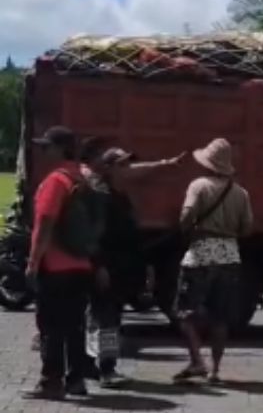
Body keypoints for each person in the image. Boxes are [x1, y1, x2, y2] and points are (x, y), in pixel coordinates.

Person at [85, 145, 185, 388]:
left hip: (123, 269)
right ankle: (106, 369)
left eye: (128, 164)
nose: (128, 168)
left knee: (106, 319)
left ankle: (90, 365)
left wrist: (145, 267)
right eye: (122, 164)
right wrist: (99, 266)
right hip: (107, 268)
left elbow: (132, 237)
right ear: (109, 169)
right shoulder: (103, 196)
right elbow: (93, 237)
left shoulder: (122, 196)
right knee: (107, 321)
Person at [23, 127, 97, 400]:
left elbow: (44, 224)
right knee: (75, 326)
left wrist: (33, 263)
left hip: (54, 265)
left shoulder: (56, 180)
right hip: (82, 263)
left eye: (47, 147)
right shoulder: (84, 179)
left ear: (60, 149)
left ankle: (51, 382)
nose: (43, 151)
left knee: (50, 326)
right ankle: (76, 379)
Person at [173, 138, 253, 384]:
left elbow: (186, 216)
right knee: (220, 317)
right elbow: (247, 228)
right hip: (229, 256)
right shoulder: (241, 193)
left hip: (201, 254)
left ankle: (197, 360)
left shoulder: (199, 185)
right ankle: (215, 370)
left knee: (185, 312)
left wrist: (188, 227)